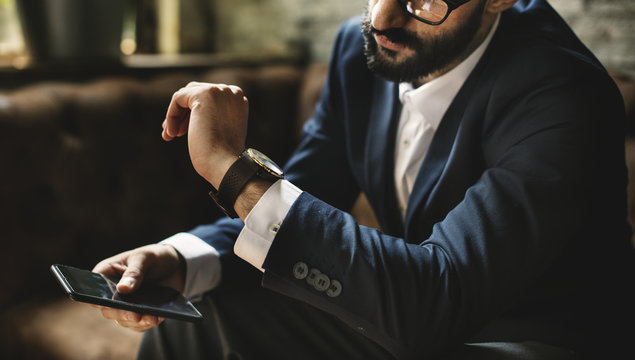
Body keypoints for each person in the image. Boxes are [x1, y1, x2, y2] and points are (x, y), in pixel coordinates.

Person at [91, 0, 635, 359]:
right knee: (196, 317)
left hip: (530, 340)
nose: (382, 17)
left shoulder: (563, 95)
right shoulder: (364, 52)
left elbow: (440, 295)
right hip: (414, 321)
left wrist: (232, 170)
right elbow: (295, 202)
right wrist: (186, 258)